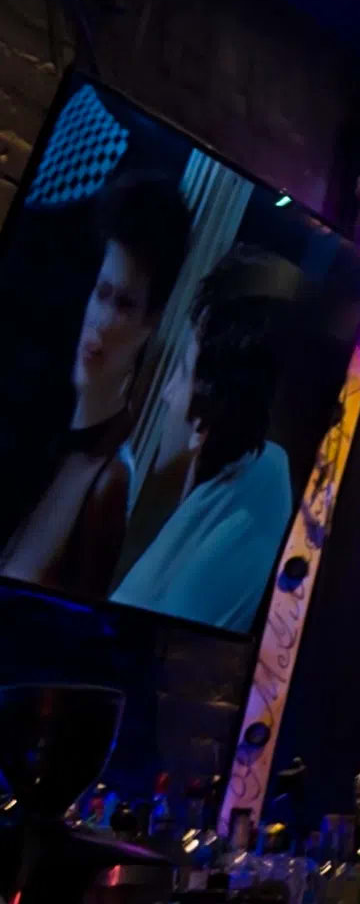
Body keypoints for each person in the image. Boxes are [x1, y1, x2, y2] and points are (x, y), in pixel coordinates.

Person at [0, 175, 192, 597]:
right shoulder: (39, 424)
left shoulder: (109, 480)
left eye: (123, 304)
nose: (101, 322)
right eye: (101, 294)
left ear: (150, 322)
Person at [109, 285, 299, 632]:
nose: (167, 394)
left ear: (207, 407)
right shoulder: (243, 477)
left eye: (182, 371)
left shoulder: (257, 491)